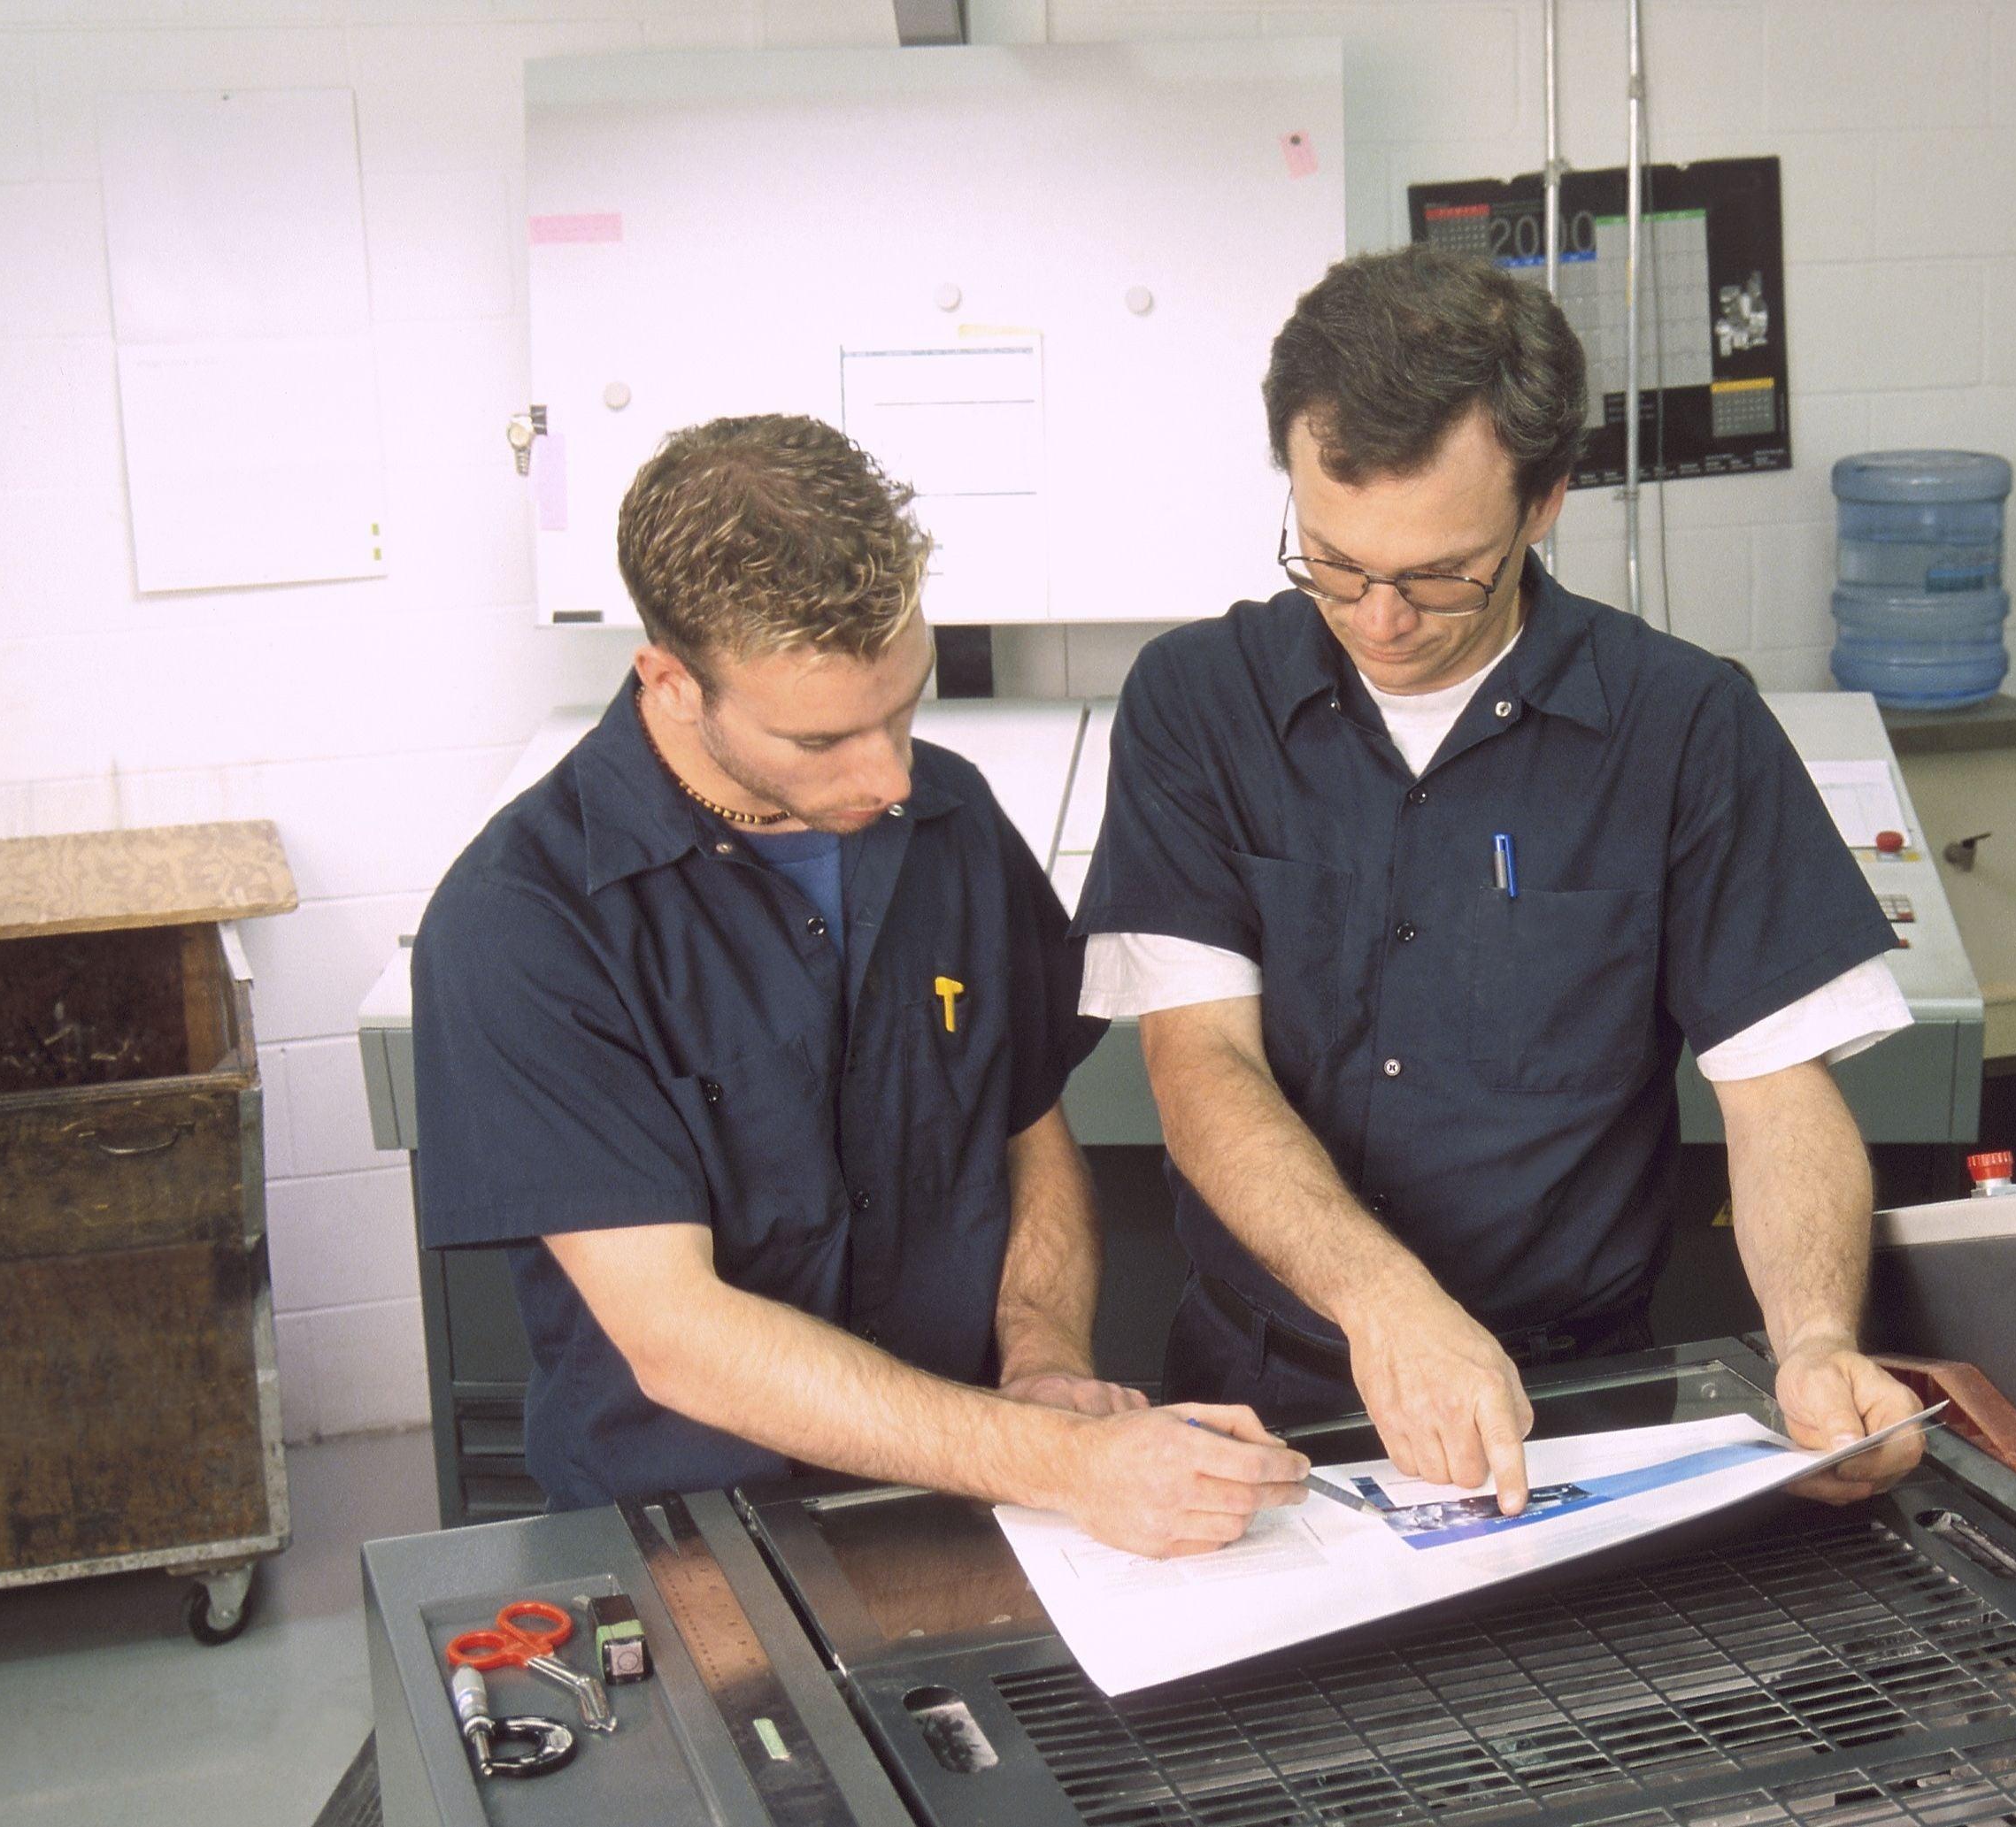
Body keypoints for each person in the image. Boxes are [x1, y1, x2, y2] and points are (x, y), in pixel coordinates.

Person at [1074, 247, 1927, 1516]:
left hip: (1576, 1405)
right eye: (1334, 560)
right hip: (1262, 1393)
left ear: (1545, 504)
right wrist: (1387, 1302)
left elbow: (1775, 1091)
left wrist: (1810, 1337)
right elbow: (1202, 1068)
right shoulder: (1200, 704)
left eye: (1437, 573)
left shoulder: (1682, 723)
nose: (1379, 618)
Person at [412, 414, 1304, 1555]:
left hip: (979, 1494)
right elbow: (677, 1333)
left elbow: (1025, 1125)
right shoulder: (523, 924)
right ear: (672, 682)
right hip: (690, 1538)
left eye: (903, 703)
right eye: (823, 738)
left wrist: (1042, 1361)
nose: (888, 776)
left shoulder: (953, 818)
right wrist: (1066, 1461)